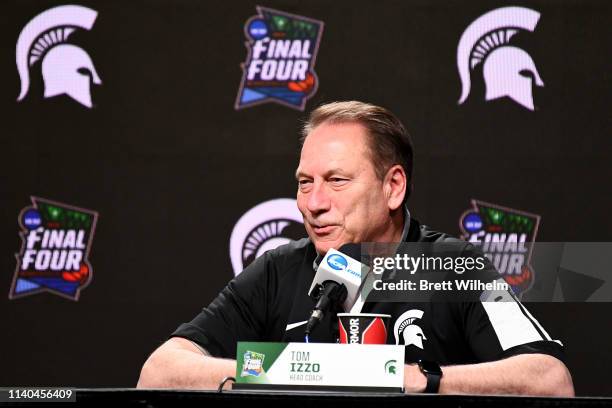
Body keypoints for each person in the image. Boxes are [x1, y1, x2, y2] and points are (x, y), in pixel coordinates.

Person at [137, 101, 574, 396]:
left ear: (393, 187)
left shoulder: (453, 265)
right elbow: (159, 372)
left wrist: (418, 380)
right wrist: (281, 371)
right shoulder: (277, 271)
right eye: (305, 183)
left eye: (337, 181)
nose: (314, 203)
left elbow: (549, 379)